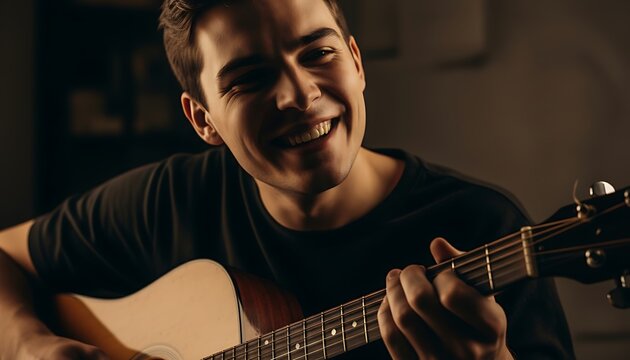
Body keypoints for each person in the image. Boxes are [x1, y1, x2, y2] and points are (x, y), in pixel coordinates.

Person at [0, 0, 575, 359]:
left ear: (355, 61)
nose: (299, 95)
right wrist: (31, 345)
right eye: (249, 79)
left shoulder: (483, 228)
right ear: (203, 120)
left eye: (319, 53)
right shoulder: (169, 202)